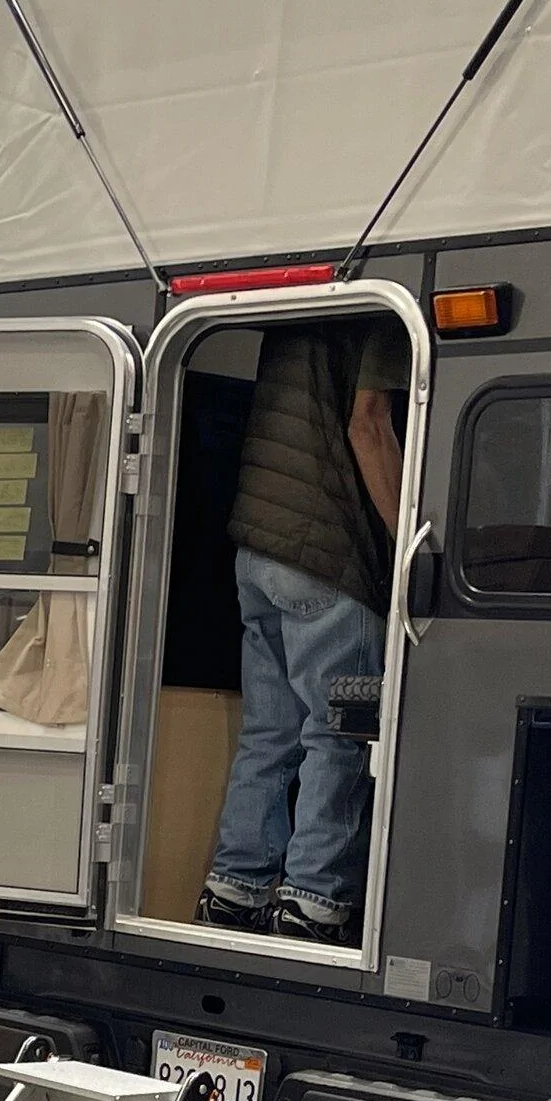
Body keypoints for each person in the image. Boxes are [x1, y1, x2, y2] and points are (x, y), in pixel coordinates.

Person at [197, 317, 409, 945]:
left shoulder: (295, 323)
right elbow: (367, 426)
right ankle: (315, 900)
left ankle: (234, 889)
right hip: (328, 560)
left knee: (268, 734)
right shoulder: (385, 324)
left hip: (257, 552)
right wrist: (412, 548)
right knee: (339, 735)